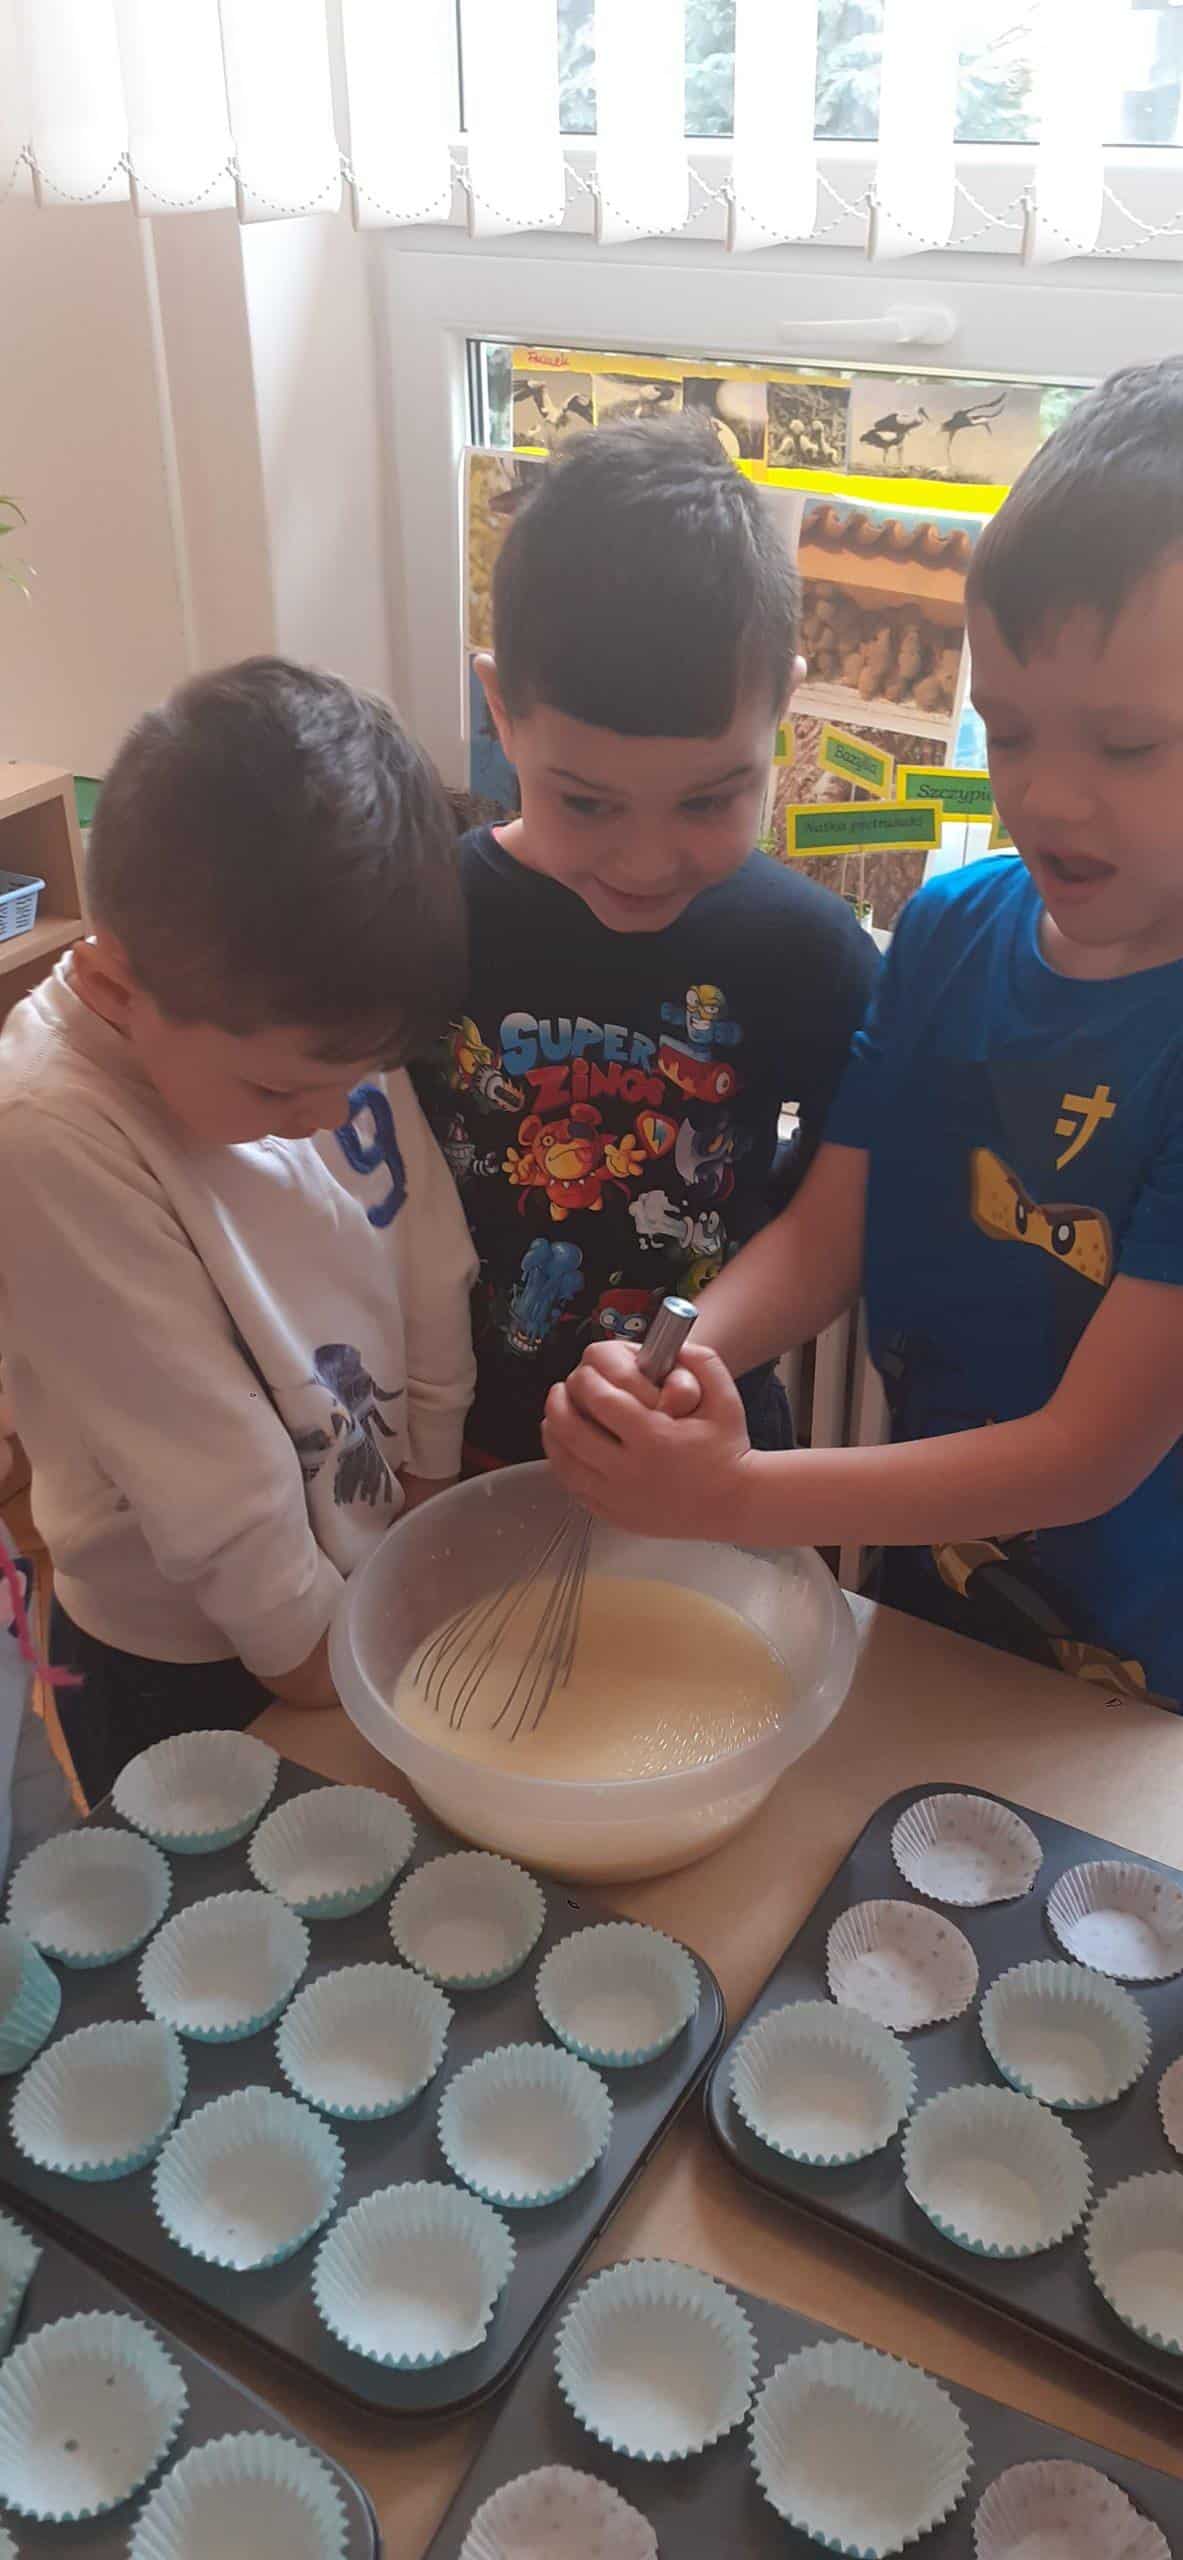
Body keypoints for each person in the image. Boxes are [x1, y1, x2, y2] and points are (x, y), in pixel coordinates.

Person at [544, 358, 1183, 1713]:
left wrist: (729, 1495)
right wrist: (679, 1358)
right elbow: (827, 1238)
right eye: (1009, 731)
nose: (1046, 797)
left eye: (1126, 747)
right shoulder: (949, 931)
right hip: (933, 1590)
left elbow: (1088, 1452)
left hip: (1144, 1670)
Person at [0, 659, 476, 1801]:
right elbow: (209, 1466)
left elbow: (423, 1246)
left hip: (357, 1580)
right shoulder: (49, 1132)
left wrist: (431, 1469)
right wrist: (310, 1649)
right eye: (277, 1096)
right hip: (201, 1653)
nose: (327, 1118)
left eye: (363, 1077)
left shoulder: (313, 1019)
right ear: (116, 989)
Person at [415, 418, 878, 1468]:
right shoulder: (428, 917)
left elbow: (836, 1221)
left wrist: (675, 1366)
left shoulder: (807, 951)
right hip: (451, 1456)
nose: (644, 861)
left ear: (783, 708)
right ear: (500, 709)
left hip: (700, 1438)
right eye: (586, 802)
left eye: (708, 800)